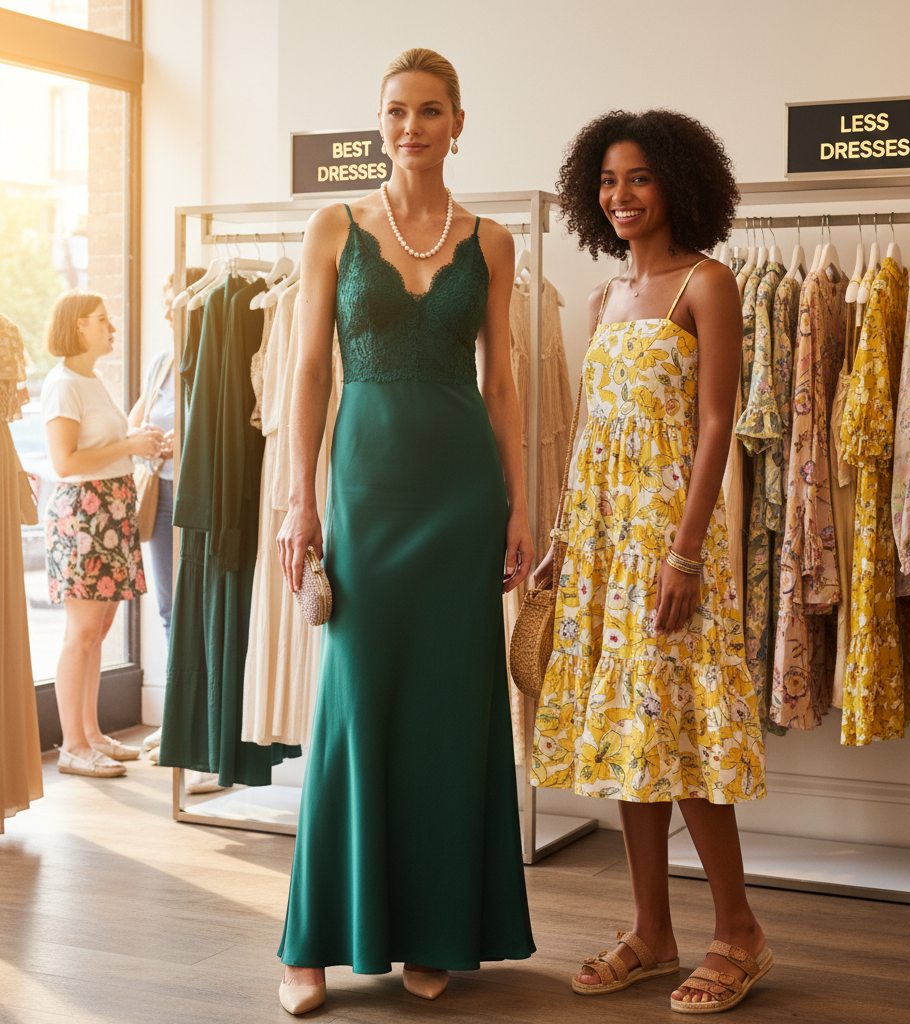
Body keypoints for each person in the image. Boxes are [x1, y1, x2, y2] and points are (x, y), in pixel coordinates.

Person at [274, 48, 535, 1015]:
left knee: (449, 714)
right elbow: (309, 373)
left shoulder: (493, 240)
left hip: (463, 490)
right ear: (378, 123)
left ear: (458, 122)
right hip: (368, 487)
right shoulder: (333, 227)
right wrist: (302, 499)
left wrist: (518, 502)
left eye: (430, 111)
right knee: (353, 706)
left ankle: (430, 926)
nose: (411, 126)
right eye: (396, 111)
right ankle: (309, 943)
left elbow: (502, 382)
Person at [531, 110, 771, 1014]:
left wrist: (685, 550)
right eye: (606, 182)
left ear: (676, 182)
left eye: (637, 178)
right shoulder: (601, 300)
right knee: (636, 738)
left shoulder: (705, 285)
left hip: (669, 542)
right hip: (602, 539)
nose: (621, 197)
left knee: (685, 732)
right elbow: (596, 429)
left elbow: (717, 426)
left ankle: (739, 931)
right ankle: (653, 931)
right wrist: (562, 537)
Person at [41, 290, 163, 777]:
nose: (110, 327)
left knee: (100, 631)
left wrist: (141, 444)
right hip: (84, 516)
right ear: (77, 327)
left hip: (110, 512)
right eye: (101, 320)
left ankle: (90, 734)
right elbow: (64, 462)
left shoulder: (91, 380)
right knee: (83, 633)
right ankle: (72, 744)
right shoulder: (63, 384)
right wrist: (129, 443)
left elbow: (112, 447)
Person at [130, 268, 207, 771]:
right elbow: (134, 420)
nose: (164, 312)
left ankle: (196, 719)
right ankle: (176, 715)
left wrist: (186, 436)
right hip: (159, 491)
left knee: (198, 604)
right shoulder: (161, 363)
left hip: (197, 492)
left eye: (172, 301)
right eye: (161, 302)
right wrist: (151, 437)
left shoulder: (210, 356)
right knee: (167, 605)